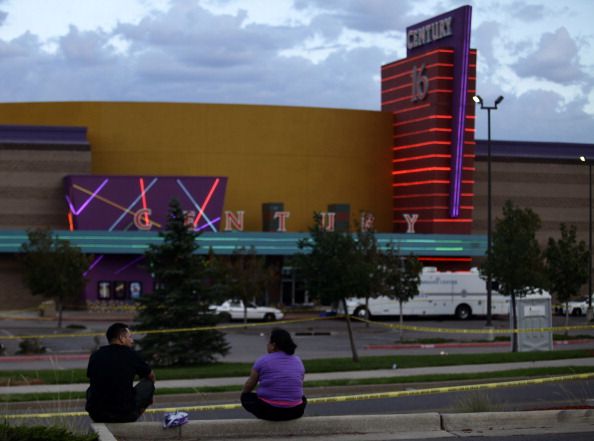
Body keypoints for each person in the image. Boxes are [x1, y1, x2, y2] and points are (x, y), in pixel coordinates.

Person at [85, 322, 155, 422]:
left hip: (97, 415)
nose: (132, 340)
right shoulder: (131, 355)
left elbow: (91, 377)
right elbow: (151, 376)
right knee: (149, 384)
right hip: (125, 415)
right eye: (130, 337)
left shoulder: (96, 355)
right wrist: (149, 398)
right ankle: (135, 415)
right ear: (122, 338)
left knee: (90, 389)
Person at [241, 328, 306, 421]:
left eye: (268, 342)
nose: (267, 345)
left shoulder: (263, 360)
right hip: (295, 411)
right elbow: (299, 383)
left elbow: (250, 384)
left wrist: (244, 393)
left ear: (273, 345)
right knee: (303, 398)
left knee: (246, 397)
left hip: (270, 411)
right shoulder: (298, 360)